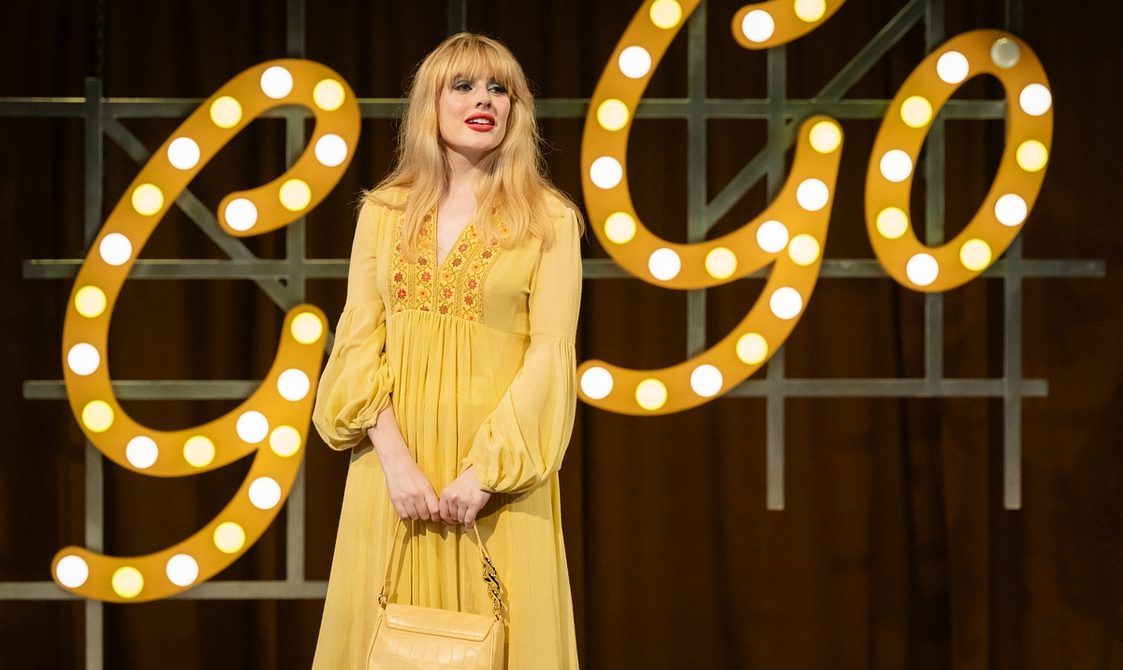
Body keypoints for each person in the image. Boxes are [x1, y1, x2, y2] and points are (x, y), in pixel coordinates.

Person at [311, 32, 583, 669]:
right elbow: (357, 338)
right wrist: (396, 463)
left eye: (499, 89)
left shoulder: (548, 220)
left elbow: (550, 357)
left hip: (496, 483)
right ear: (429, 103)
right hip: (394, 477)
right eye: (463, 86)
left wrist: (485, 473)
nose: (484, 100)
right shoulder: (384, 211)